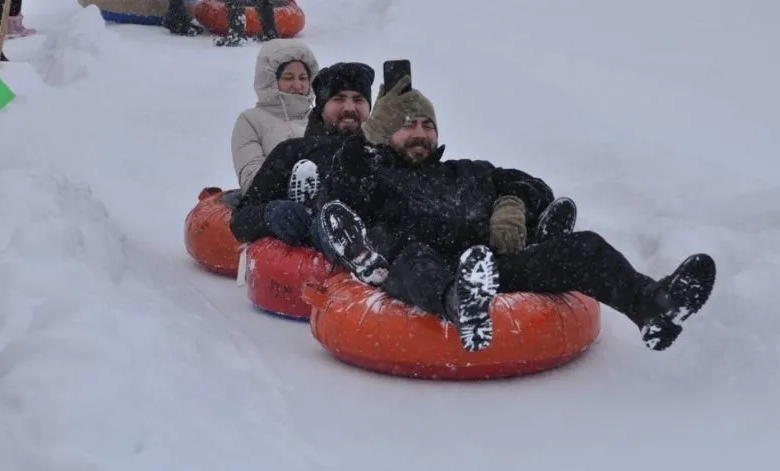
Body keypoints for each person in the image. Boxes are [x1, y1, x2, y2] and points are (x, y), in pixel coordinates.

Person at [311, 75, 717, 354]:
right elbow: (339, 188)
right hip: (420, 269)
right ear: (386, 132)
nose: (419, 133)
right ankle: (461, 304)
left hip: (490, 269)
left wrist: (511, 205)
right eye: (406, 125)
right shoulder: (375, 175)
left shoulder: (468, 171)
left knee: (585, 247)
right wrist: (367, 138)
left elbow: (535, 187)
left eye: (426, 125)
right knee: (416, 258)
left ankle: (652, 305)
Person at [229, 61, 375, 245]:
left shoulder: (381, 152)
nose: (349, 108)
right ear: (321, 107)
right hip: (307, 253)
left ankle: (345, 234)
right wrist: (270, 214)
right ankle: (318, 221)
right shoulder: (292, 151)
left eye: (358, 100)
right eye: (338, 99)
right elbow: (240, 222)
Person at [231, 38, 319, 194]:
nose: (298, 85)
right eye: (288, 78)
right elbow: (252, 181)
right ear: (270, 80)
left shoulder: (319, 118)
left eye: (303, 78)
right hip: (275, 206)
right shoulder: (250, 121)